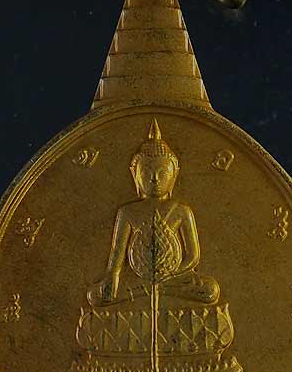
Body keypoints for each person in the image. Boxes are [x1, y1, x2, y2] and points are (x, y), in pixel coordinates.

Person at [87, 118, 220, 306]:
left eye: (162, 173)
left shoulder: (182, 211)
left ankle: (151, 292)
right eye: (147, 173)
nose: (155, 179)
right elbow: (117, 256)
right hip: (137, 277)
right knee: (95, 296)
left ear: (174, 175)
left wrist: (171, 273)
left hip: (173, 277)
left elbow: (193, 256)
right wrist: (112, 276)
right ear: (135, 175)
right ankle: (149, 292)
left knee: (210, 289)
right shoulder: (128, 211)